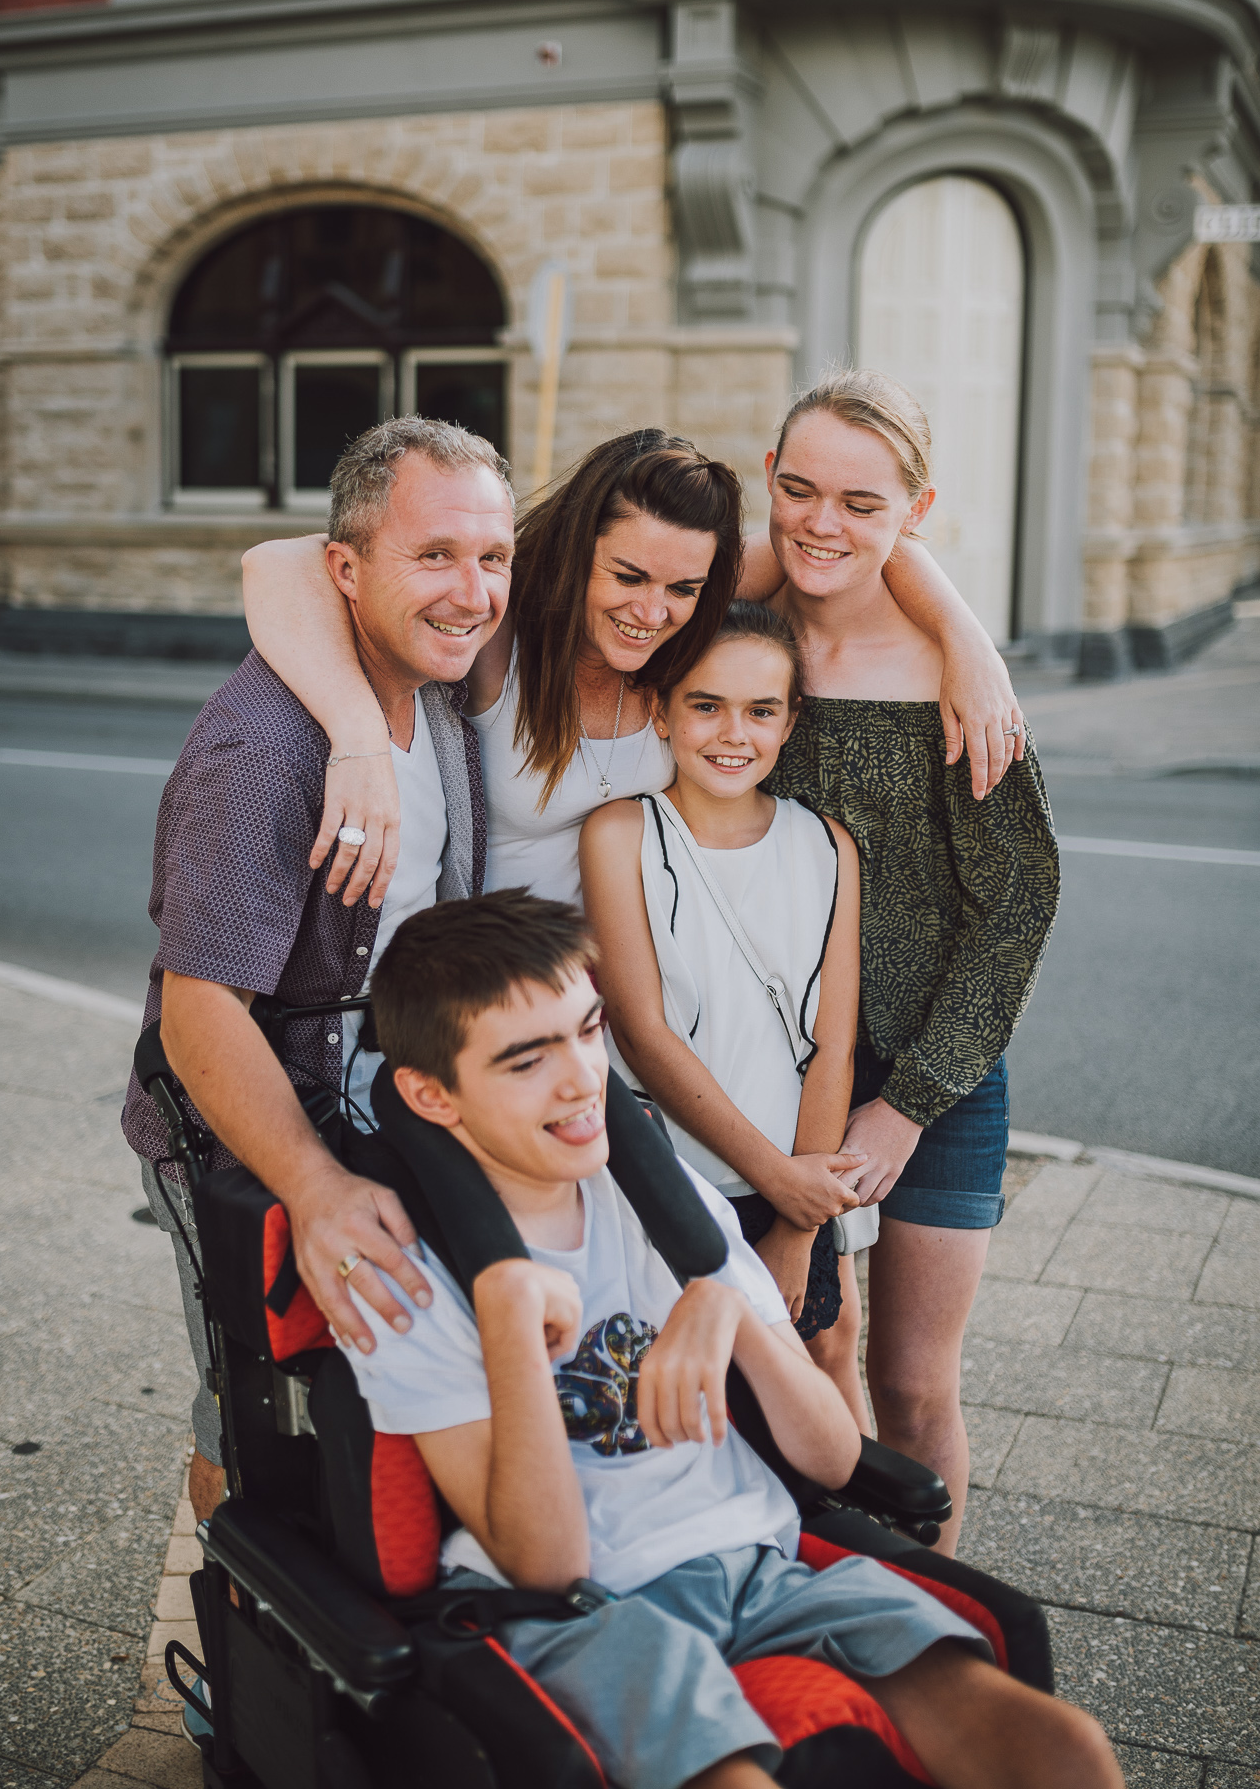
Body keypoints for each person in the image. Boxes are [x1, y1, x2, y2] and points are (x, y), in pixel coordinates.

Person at [344, 890, 1121, 1789]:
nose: (579, 1079)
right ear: (430, 1095)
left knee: (1064, 1751)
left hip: (761, 1564)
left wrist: (726, 1302)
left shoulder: (660, 1197)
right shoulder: (403, 1276)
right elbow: (545, 1565)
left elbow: (832, 1459)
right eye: (526, 1059)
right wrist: (511, 1324)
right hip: (591, 1612)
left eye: (587, 1031)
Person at [121, 416, 514, 1533]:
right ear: (343, 568)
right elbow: (199, 1017)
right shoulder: (266, 755)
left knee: (376, 1419)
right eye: (433, 554)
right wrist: (317, 1185)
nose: (471, 589)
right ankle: (235, 1672)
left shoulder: (432, 683)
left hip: (385, 1117)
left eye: (491, 556)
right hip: (257, 1142)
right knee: (257, 1426)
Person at [241, 432, 1025, 917]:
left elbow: (849, 542)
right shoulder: (498, 629)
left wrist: (967, 643)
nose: (652, 611)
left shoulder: (677, 622)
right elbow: (276, 565)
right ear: (579, 552)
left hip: (646, 996)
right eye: (627, 576)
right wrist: (355, 738)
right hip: (506, 1001)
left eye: (683, 589)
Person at [760, 369, 1061, 1554]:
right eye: (795, 488)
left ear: (915, 509)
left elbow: (1018, 900)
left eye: (860, 502)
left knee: (914, 1379)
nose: (819, 523)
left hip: (938, 1067)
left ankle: (939, 1614)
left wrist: (908, 1103)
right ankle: (839, 1578)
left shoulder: (948, 676)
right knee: (802, 1349)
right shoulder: (744, 631)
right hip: (774, 1067)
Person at [580, 601, 869, 1427]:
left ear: (789, 721)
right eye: (705, 705)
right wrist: (782, 1187)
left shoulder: (827, 845)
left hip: (793, 1193)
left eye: (760, 710)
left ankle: (842, 1552)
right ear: (660, 710)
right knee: (686, 1399)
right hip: (674, 1191)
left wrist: (793, 1224)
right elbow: (642, 1029)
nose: (731, 732)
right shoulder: (619, 833)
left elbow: (832, 1044)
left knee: (810, 1382)